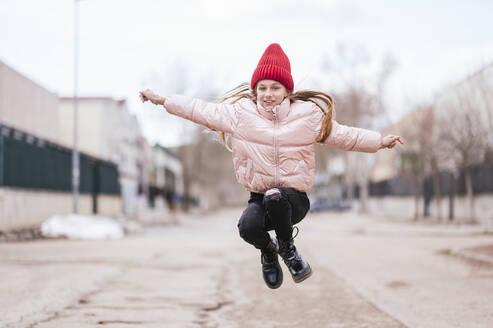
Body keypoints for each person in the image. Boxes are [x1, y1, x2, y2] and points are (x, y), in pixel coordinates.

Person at [139, 43, 404, 289]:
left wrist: (378, 141)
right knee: (246, 227)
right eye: (262, 88)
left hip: (294, 201)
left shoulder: (307, 116)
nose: (268, 94)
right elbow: (200, 110)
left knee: (276, 196)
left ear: (287, 91)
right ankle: (269, 251)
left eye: (275, 88)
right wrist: (164, 101)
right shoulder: (240, 116)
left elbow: (343, 135)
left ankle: (288, 250)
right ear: (255, 90)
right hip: (259, 198)